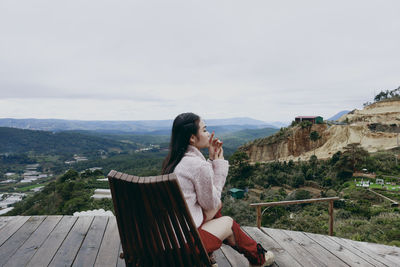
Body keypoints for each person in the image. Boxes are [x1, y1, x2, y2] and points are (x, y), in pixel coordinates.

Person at [162, 112, 275, 267]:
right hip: (186, 245)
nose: (208, 133)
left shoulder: (173, 162)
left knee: (218, 211)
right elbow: (211, 202)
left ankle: (248, 255)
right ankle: (258, 258)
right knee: (227, 221)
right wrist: (219, 164)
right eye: (204, 129)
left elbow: (203, 194)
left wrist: (210, 161)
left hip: (167, 239)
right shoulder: (196, 165)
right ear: (192, 138)